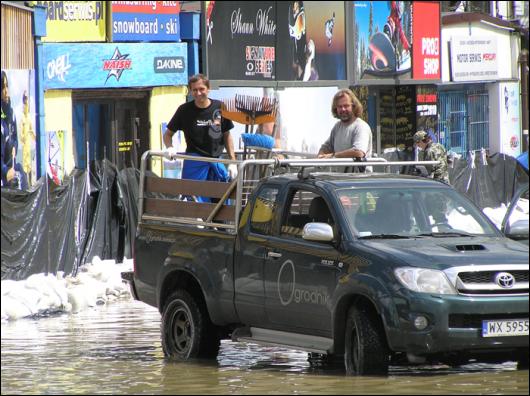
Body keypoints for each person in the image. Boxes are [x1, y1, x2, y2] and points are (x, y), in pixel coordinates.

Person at [163, 74, 237, 184]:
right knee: (192, 198)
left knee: (220, 199)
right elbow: (168, 134)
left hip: (216, 161)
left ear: (208, 89)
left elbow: (227, 134)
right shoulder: (184, 110)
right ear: (190, 91)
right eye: (194, 90)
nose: (198, 93)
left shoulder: (220, 107)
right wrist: (169, 148)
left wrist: (233, 161)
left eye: (201, 89)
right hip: (194, 163)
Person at [318, 89, 373, 172]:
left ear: (353, 106)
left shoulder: (361, 126)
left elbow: (358, 152)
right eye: (340, 106)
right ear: (335, 109)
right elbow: (327, 147)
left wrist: (333, 155)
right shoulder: (337, 127)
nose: (343, 109)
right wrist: (321, 155)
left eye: (346, 106)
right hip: (342, 179)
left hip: (360, 180)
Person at [1, 70, 27, 189]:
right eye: (2, 88)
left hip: (11, 168)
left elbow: (15, 137)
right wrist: (5, 171)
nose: (6, 91)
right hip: (4, 173)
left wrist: (14, 147)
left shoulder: (12, 115)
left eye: (7, 86)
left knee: (21, 172)